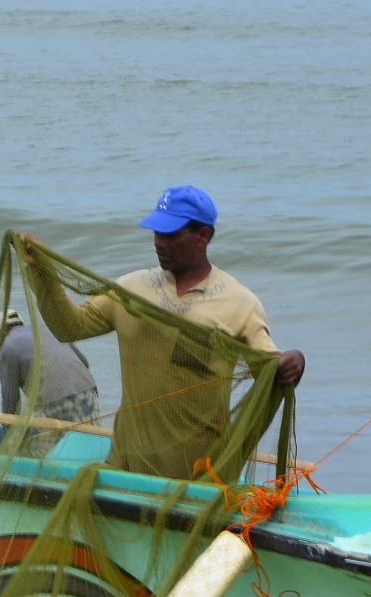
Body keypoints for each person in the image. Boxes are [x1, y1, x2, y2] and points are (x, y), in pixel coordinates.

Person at [24, 185, 305, 480]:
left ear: (203, 236)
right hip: (125, 464)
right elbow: (69, 326)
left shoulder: (240, 303)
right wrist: (41, 272)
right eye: (156, 232)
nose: (160, 242)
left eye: (171, 234)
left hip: (198, 473)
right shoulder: (130, 288)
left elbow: (270, 371)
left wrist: (294, 361)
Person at [0, 309, 97, 457]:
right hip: (90, 396)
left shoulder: (7, 348)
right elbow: (85, 363)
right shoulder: (48, 329)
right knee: (86, 452)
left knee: (31, 451)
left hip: (56, 404)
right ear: (21, 324)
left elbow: (11, 405)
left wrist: (10, 443)